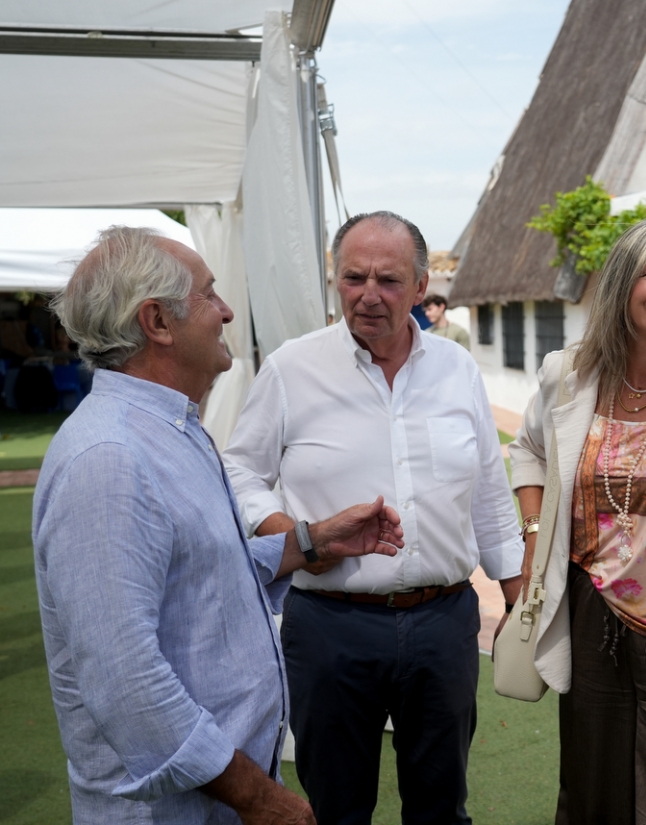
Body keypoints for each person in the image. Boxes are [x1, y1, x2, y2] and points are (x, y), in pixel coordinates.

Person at [33, 226, 403, 825]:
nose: (228, 310)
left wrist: (308, 543)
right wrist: (259, 799)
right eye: (209, 295)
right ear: (157, 321)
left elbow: (202, 572)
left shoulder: (168, 431)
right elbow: (125, 682)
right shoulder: (109, 458)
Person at [223, 211, 523, 824]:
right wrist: (295, 539)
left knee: (441, 807)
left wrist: (518, 594)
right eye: (353, 277)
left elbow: (490, 488)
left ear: (420, 289)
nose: (368, 295)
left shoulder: (457, 369)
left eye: (388, 280)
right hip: (331, 625)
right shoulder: (291, 368)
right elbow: (238, 471)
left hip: (443, 622)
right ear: (335, 282)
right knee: (336, 808)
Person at [509, 217, 646, 825]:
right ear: (621, 284)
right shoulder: (568, 375)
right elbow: (526, 449)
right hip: (592, 613)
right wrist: (533, 541)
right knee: (591, 790)